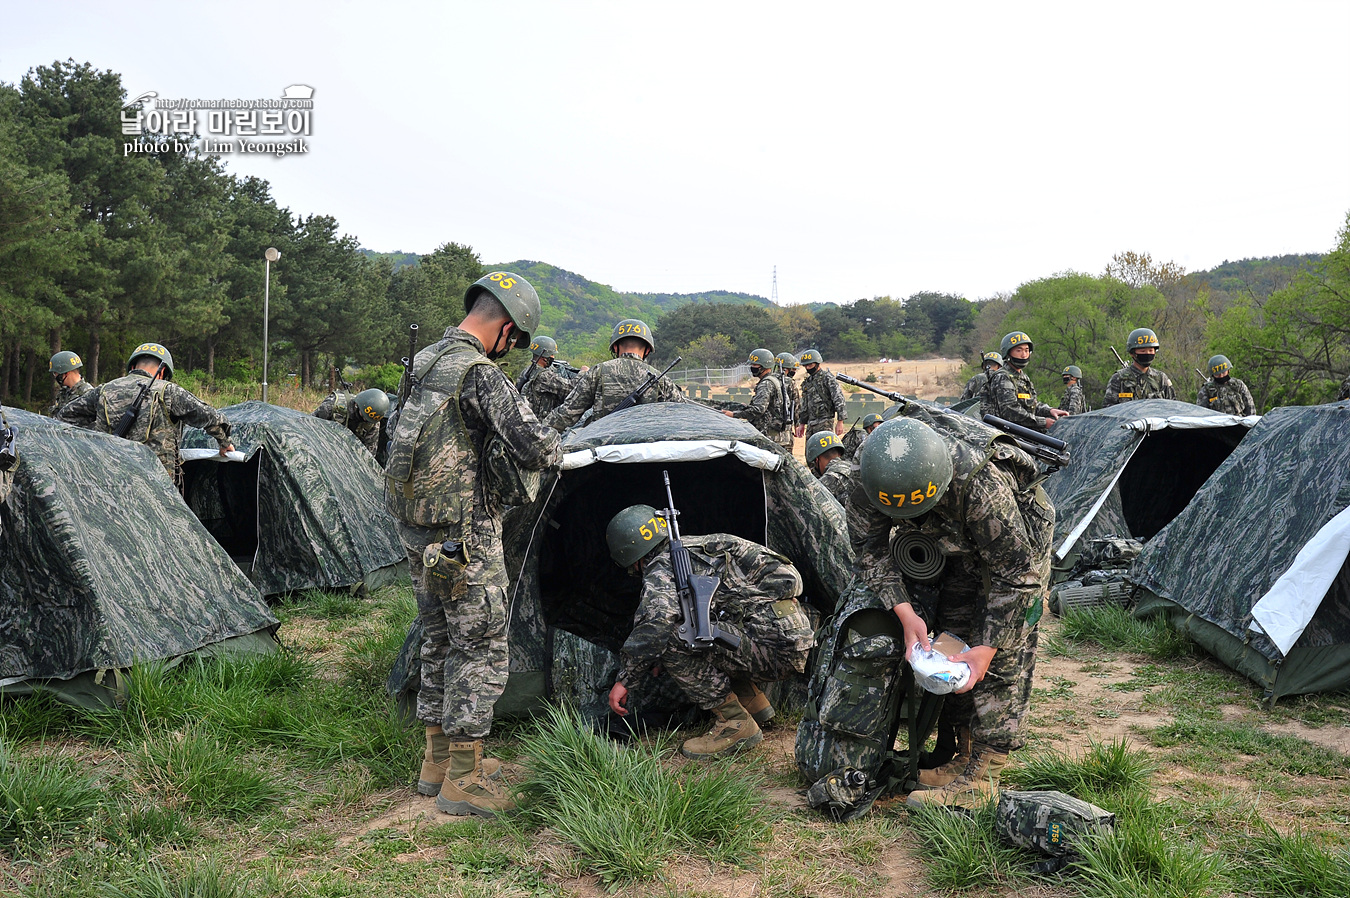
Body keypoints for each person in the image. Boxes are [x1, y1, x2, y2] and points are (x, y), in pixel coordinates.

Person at [383, 271, 561, 818]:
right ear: (506, 328)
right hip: (465, 532)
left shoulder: (426, 361)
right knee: (481, 644)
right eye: (515, 341)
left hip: (418, 530)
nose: (512, 352)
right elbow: (536, 447)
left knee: (438, 637)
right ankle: (465, 777)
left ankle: (435, 762)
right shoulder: (481, 374)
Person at [847, 413, 1053, 809]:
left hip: (1015, 538)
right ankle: (960, 756)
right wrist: (906, 614)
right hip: (949, 537)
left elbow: (1017, 575)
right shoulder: (868, 478)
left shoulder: (980, 486)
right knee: (952, 633)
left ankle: (986, 773)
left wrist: (988, 649)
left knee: (1005, 639)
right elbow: (869, 550)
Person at [604, 503, 814, 759]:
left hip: (771, 649)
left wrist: (625, 680)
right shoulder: (703, 546)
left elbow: (656, 623)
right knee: (702, 622)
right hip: (793, 636)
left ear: (631, 554)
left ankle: (734, 723)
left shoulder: (662, 566)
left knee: (679, 634)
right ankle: (755, 705)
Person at [59, 342, 233, 485]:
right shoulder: (168, 391)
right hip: (157, 483)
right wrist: (225, 442)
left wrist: (96, 434)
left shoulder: (104, 390)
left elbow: (66, 416)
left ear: (133, 366)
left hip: (109, 479)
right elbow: (211, 417)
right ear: (163, 371)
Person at [545, 319, 685, 431]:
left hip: (603, 455)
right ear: (647, 349)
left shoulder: (598, 372)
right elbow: (683, 416)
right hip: (647, 457)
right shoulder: (661, 379)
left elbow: (566, 414)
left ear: (616, 347)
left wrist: (536, 432)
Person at [986, 332, 1068, 433]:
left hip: (1024, 433)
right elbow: (1011, 412)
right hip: (1006, 436)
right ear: (1008, 353)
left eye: (1027, 350)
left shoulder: (1023, 377)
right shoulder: (1003, 377)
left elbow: (1030, 405)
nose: (1024, 355)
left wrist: (1050, 410)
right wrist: (1043, 422)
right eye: (1018, 350)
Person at [724, 348, 793, 447]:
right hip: (777, 435)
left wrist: (734, 415)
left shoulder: (766, 384)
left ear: (764, 366)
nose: (752, 367)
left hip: (769, 436)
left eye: (755, 365)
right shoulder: (774, 380)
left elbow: (759, 410)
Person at [1103, 328, 1174, 406]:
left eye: (1151, 350)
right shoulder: (1119, 379)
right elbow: (1108, 410)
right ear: (1132, 353)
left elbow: (1172, 407)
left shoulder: (1161, 378)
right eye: (1143, 351)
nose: (1147, 354)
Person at [313, 388, 389, 455]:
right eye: (363, 416)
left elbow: (369, 453)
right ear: (358, 405)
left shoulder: (372, 422)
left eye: (368, 419)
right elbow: (310, 426)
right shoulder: (333, 405)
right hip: (322, 445)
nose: (365, 420)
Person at [516, 336, 576, 420]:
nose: (553, 357)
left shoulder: (527, 371)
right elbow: (571, 387)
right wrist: (583, 372)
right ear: (544, 358)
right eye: (551, 354)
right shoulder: (544, 376)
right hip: (541, 424)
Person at [797, 349, 847, 438]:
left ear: (817, 363)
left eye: (810, 365)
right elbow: (805, 404)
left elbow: (838, 398)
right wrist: (802, 423)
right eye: (806, 366)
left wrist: (840, 421)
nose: (808, 368)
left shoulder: (827, 378)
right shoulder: (807, 382)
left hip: (825, 422)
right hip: (811, 424)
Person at [806, 430, 852, 507]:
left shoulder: (830, 478)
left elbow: (808, 504)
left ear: (816, 460)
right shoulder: (852, 466)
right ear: (840, 454)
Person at [45, 350, 94, 417]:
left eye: (56, 373)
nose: (55, 376)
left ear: (66, 373)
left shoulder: (88, 394)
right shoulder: (63, 393)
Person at [777, 352, 803, 447]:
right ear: (786, 369)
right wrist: (797, 424)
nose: (794, 372)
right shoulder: (790, 382)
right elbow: (796, 404)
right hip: (785, 425)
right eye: (792, 369)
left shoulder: (768, 380)